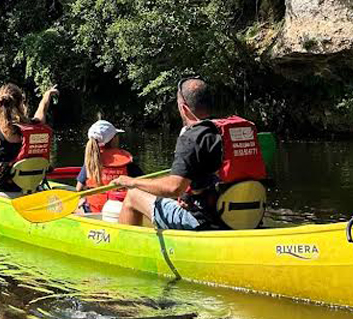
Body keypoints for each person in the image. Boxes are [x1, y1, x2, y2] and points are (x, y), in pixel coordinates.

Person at [114, 77, 266, 231]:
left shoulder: (191, 137)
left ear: (184, 108)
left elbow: (174, 188)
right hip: (248, 218)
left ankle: (122, 250)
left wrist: (131, 182)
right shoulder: (233, 132)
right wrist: (188, 196)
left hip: (207, 221)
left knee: (133, 195)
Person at [0, 82, 58, 192]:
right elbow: (42, 111)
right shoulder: (33, 127)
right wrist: (46, 96)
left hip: (4, 188)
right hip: (30, 185)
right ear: (21, 104)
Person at [75, 120, 143, 214]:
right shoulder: (126, 161)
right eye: (116, 136)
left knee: (82, 203)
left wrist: (84, 198)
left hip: (94, 210)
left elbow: (78, 188)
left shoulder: (91, 161)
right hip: (120, 211)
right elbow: (142, 183)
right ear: (113, 139)